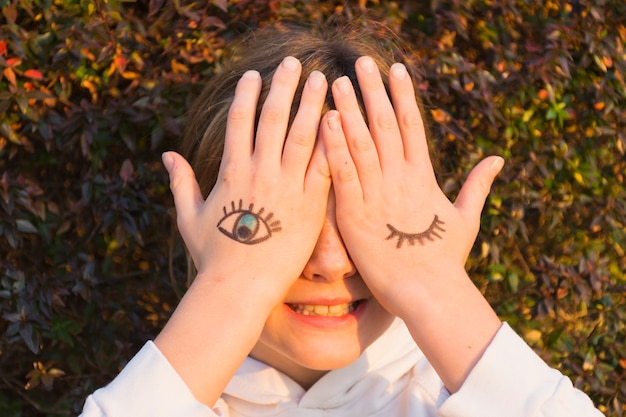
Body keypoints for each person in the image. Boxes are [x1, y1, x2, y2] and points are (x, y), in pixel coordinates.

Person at [80, 22, 604, 416]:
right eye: (294, 217)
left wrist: (435, 288)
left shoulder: (462, 394)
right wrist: (230, 288)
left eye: (363, 221)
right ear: (198, 221)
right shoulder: (168, 393)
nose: (330, 263)